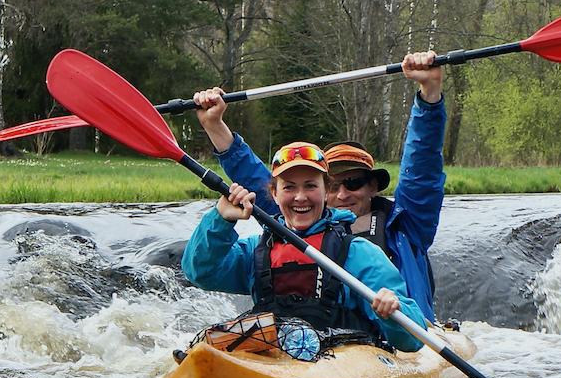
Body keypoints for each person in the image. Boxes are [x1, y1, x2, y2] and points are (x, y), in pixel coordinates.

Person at [192, 50, 447, 323]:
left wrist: (429, 97)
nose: (343, 193)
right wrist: (215, 126)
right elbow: (263, 183)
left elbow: (422, 171)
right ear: (325, 190)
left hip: (404, 341)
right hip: (319, 346)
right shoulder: (294, 221)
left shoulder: (405, 228)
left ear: (373, 186)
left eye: (354, 182)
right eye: (335, 184)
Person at [181, 141, 427, 352]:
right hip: (277, 361)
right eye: (289, 187)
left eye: (310, 186)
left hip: (343, 364)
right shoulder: (255, 251)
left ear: (326, 191)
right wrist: (221, 219)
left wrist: (392, 310)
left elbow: (413, 339)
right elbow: (200, 272)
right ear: (274, 195)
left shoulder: (359, 253)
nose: (300, 197)